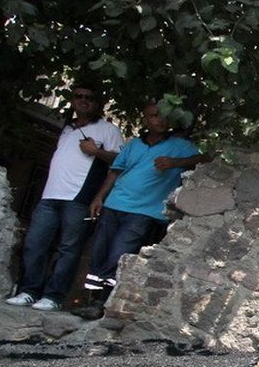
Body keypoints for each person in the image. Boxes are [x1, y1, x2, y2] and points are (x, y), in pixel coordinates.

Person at [5, 82, 123, 311]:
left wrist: (96, 152)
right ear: (73, 100)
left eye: (88, 96)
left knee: (68, 249)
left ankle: (54, 296)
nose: (83, 100)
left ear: (97, 103)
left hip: (79, 199)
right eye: (78, 96)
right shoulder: (67, 128)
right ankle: (29, 291)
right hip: (50, 196)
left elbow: (120, 163)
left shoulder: (108, 130)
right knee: (34, 244)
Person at [83, 102, 210, 294]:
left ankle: (102, 302)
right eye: (154, 115)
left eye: (163, 116)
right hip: (114, 204)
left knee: (120, 254)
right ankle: (91, 299)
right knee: (99, 253)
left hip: (144, 212)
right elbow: (115, 172)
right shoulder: (134, 144)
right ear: (145, 119)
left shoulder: (181, 146)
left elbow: (206, 159)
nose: (160, 120)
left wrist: (177, 162)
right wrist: (99, 198)